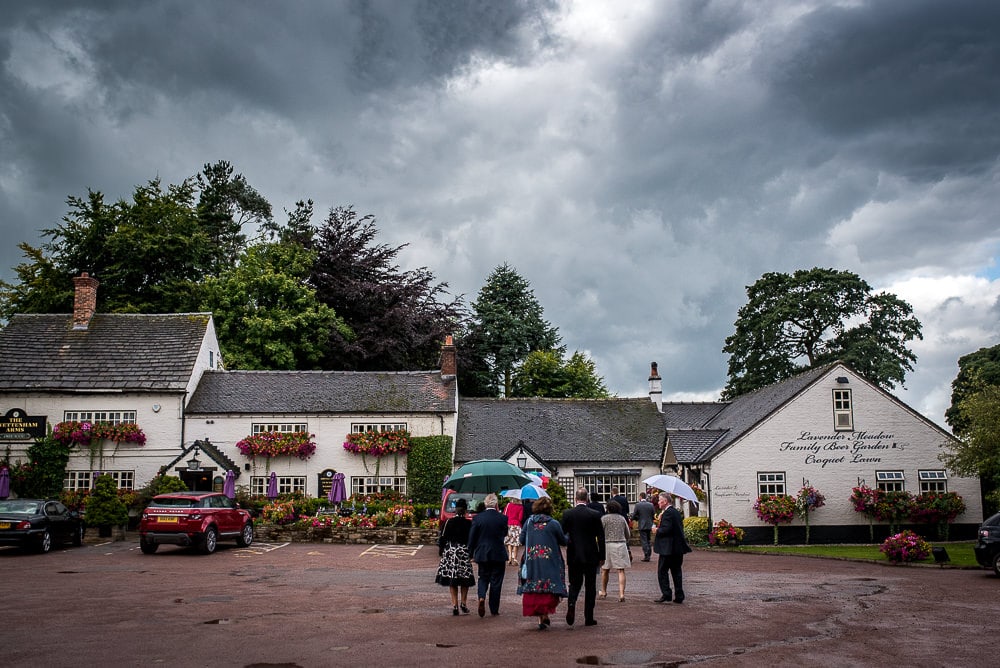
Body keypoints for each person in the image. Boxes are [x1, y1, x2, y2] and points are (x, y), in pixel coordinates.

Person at [517, 496, 568, 630]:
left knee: (535, 586)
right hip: (549, 558)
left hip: (532, 559)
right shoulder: (553, 523)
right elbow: (563, 540)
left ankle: (541, 618)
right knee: (549, 586)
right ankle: (545, 613)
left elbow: (521, 540)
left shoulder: (529, 522)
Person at [561, 488, 606, 627]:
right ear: (587, 499)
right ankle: (589, 617)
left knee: (574, 583)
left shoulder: (568, 514)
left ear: (576, 498)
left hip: (574, 553)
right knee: (590, 586)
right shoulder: (595, 514)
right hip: (591, 553)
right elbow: (601, 536)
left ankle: (572, 603)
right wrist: (602, 555)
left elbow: (562, 533)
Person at [467, 493, 508, 617]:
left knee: (483, 577)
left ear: (485, 504)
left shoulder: (478, 518)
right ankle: (494, 608)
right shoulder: (502, 518)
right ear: (496, 504)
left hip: (482, 552)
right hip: (498, 553)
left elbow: (472, 537)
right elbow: (505, 533)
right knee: (496, 581)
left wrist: (470, 553)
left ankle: (481, 597)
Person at [434, 498, 475, 615]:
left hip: (451, 551)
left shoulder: (449, 522)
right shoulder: (468, 523)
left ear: (455, 509)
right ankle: (463, 603)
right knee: (465, 579)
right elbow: (471, 540)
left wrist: (441, 552)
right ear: (465, 510)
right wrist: (471, 554)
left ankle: (455, 605)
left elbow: (442, 538)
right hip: (463, 551)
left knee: (452, 579)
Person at [653, 492, 692, 604]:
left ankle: (666, 594)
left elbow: (666, 530)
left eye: (660, 500)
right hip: (677, 548)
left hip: (668, 548)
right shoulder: (674, 512)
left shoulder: (668, 513)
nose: (658, 502)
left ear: (665, 502)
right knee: (676, 572)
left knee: (662, 572)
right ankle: (679, 595)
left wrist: (657, 530)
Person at [600, 499, 631, 602]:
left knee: (605, 570)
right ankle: (621, 594)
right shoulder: (622, 519)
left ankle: (603, 591)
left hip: (607, 545)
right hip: (620, 545)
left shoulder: (604, 519)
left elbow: (600, 533)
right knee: (621, 570)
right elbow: (628, 534)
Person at [632, 491, 656, 562]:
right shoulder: (651, 505)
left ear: (640, 497)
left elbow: (634, 515)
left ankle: (646, 555)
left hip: (642, 525)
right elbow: (653, 515)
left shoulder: (638, 505)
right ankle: (649, 553)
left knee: (644, 541)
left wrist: (635, 518)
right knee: (648, 540)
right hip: (649, 524)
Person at [503, 497, 524, 565]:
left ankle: (509, 557)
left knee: (509, 542)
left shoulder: (508, 505)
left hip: (508, 524)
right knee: (516, 543)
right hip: (516, 525)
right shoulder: (520, 507)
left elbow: (504, 514)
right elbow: (520, 518)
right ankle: (514, 558)